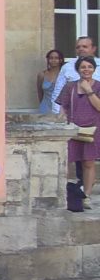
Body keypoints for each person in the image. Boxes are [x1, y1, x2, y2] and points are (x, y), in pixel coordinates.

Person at [56, 55, 100, 212]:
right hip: (72, 129)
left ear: (94, 69)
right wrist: (61, 121)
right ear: (78, 69)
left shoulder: (99, 86)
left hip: (93, 130)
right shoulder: (70, 86)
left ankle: (86, 196)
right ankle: (65, 194)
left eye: (89, 67)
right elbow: (63, 106)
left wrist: (89, 91)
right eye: (83, 67)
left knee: (88, 162)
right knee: (66, 162)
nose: (86, 69)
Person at [51, 36, 97, 114]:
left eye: (84, 46)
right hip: (73, 116)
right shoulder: (67, 67)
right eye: (78, 47)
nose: (81, 49)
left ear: (93, 49)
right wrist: (58, 115)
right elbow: (57, 93)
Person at [38, 49, 65, 114]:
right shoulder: (42, 74)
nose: (53, 60)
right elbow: (40, 92)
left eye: (56, 58)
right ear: (48, 60)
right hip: (45, 107)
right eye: (51, 58)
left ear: (60, 60)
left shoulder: (64, 75)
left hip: (60, 108)